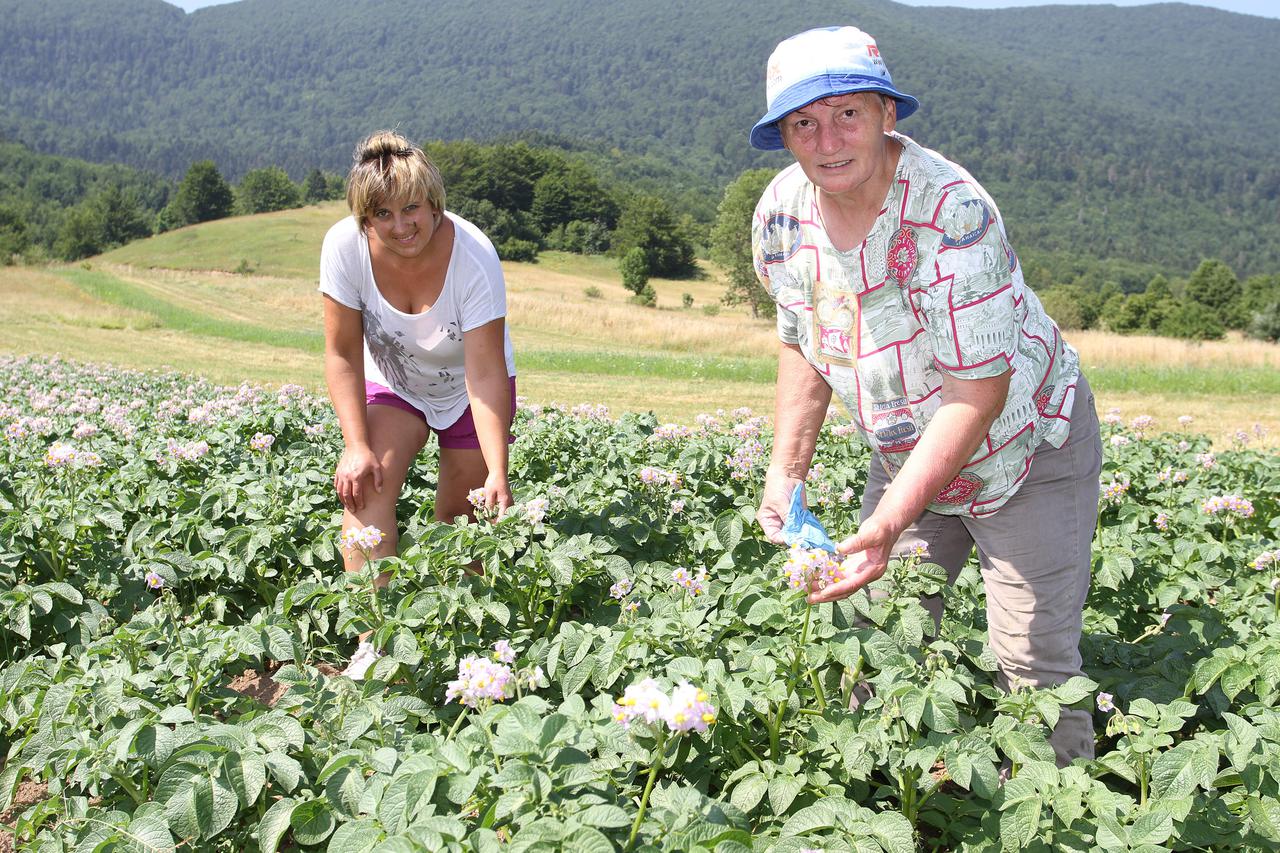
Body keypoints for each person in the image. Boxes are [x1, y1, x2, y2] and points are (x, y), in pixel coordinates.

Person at [750, 26, 1101, 765]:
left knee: (1032, 663)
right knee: (878, 635)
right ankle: (883, 797)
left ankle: (1058, 806)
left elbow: (977, 393)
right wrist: (787, 471)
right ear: (783, 135)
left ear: (887, 113)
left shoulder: (951, 214)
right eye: (803, 123)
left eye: (847, 114)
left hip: (1022, 450)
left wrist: (887, 521)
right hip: (908, 450)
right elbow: (802, 341)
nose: (827, 140)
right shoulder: (782, 216)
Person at [319, 131, 517, 677]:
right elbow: (341, 353)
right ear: (364, 218)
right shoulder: (344, 248)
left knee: (463, 515)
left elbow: (484, 371)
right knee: (366, 486)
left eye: (411, 208)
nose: (401, 225)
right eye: (383, 214)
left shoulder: (474, 256)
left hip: (470, 387)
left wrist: (497, 472)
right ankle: (374, 644)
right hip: (396, 380)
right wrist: (355, 445)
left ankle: (461, 643)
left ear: (433, 203)